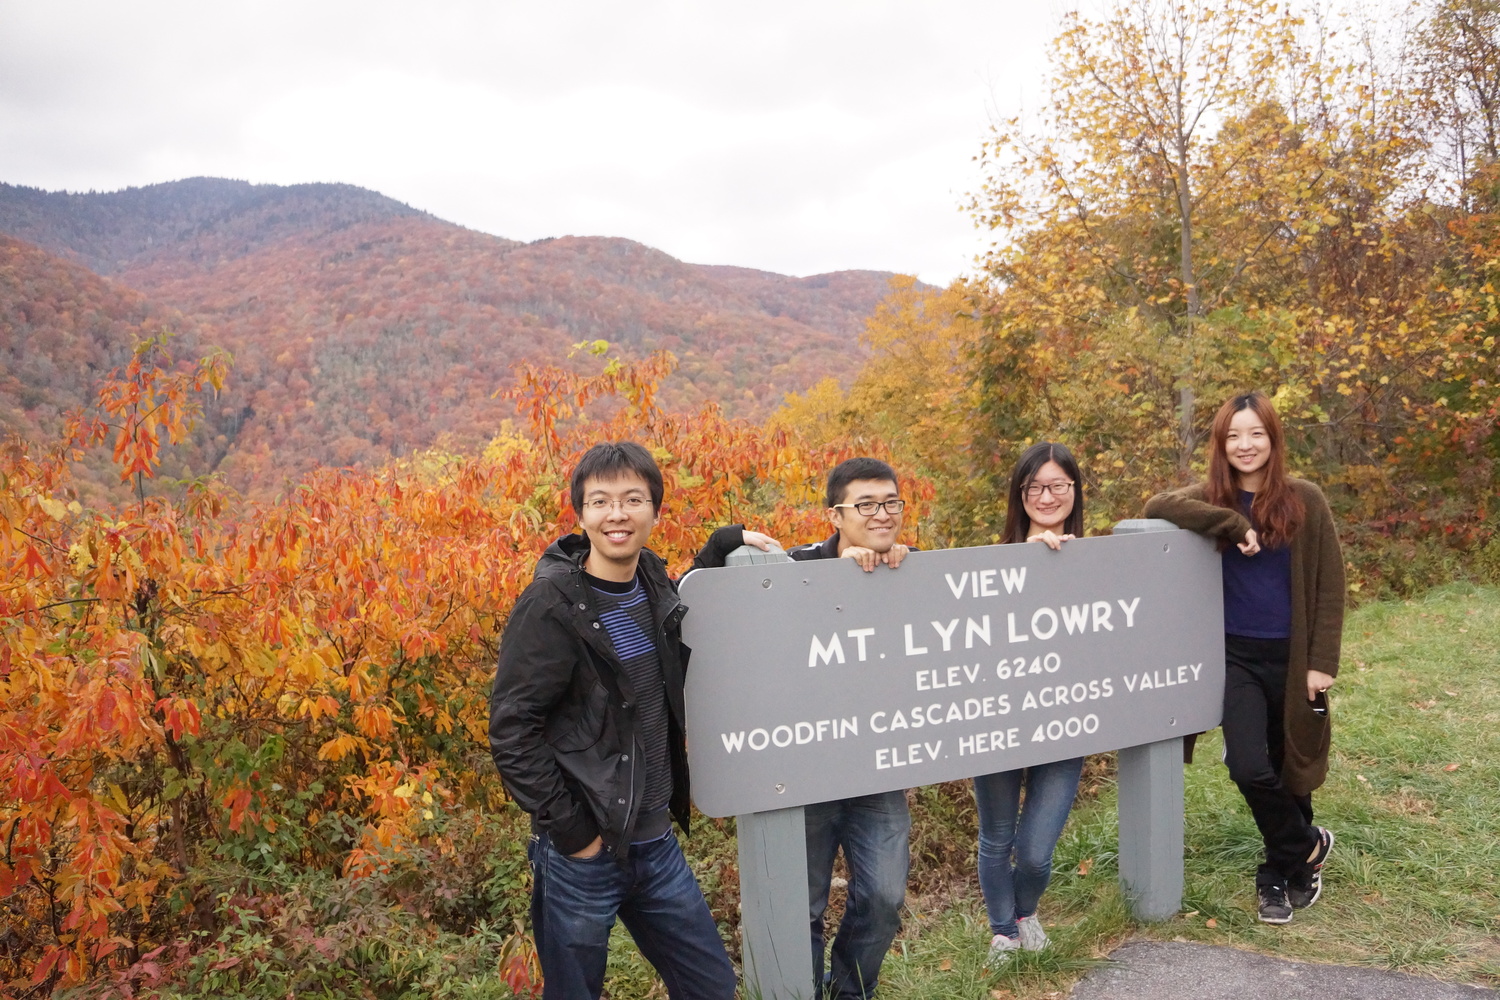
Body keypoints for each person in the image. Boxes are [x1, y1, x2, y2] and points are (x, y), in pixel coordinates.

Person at [489, 441, 756, 1000]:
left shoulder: (652, 578)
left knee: (711, 987)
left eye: (633, 499)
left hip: (655, 843)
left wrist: (717, 552)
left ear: (654, 511)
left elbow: (677, 615)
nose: (618, 514)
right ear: (581, 514)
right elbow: (512, 731)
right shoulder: (551, 606)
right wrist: (573, 833)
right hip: (584, 851)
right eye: (601, 501)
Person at [1145, 391, 1343, 925]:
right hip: (1236, 658)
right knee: (1249, 765)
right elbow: (1156, 506)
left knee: (1290, 768)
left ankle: (1279, 875)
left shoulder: (1306, 498)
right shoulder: (1215, 499)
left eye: (1255, 433)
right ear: (1221, 444)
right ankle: (1306, 845)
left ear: (1273, 439)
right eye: (1233, 435)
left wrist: (1320, 663)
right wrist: (1231, 524)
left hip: (1295, 657)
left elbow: (1330, 587)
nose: (1245, 444)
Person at [785, 456, 912, 1000]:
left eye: (890, 503)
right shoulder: (798, 567)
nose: (880, 515)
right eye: (865, 505)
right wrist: (842, 575)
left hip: (878, 774)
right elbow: (723, 590)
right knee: (803, 908)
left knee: (884, 899)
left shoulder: (915, 571)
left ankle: (850, 990)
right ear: (836, 514)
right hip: (808, 773)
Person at [974, 442, 1087, 966]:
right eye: (1035, 487)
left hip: (1064, 723)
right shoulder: (985, 565)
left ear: (1074, 492)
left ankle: (1026, 912)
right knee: (997, 838)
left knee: (1037, 850)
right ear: (1020, 495)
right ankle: (1005, 931)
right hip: (996, 721)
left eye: (1058, 485)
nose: (1047, 496)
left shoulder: (1097, 561)